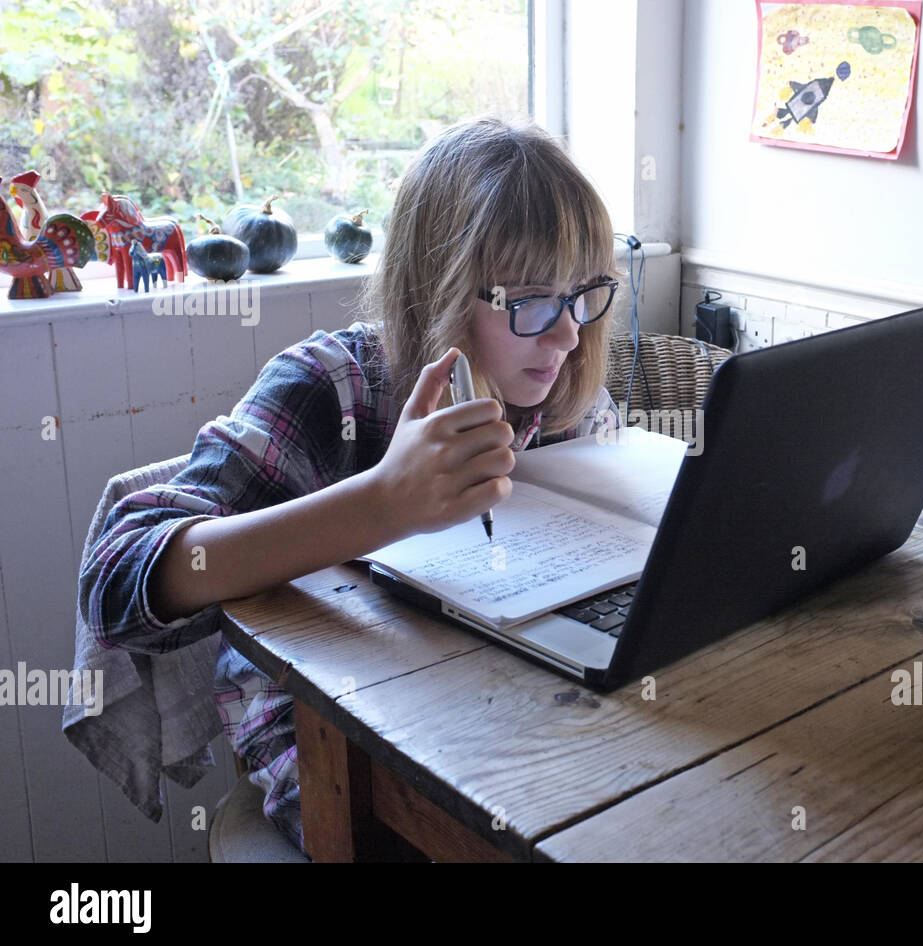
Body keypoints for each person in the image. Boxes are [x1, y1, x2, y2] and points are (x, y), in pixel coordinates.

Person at [78, 116, 623, 855]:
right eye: (530, 300)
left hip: (498, 702)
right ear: (440, 289)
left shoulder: (555, 397)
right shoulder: (326, 388)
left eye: (584, 295)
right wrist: (381, 504)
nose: (566, 336)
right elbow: (116, 583)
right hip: (329, 739)